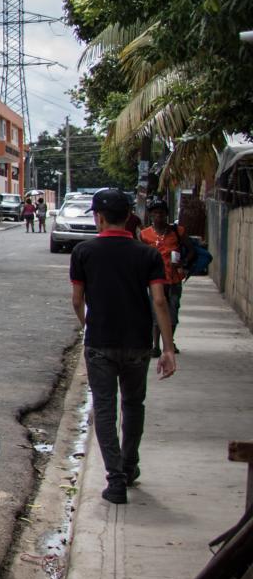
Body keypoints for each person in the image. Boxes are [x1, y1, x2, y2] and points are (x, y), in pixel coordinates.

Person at [69, 189, 178, 503]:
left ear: (98, 217)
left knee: (104, 408)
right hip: (138, 342)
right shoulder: (147, 254)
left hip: (100, 342)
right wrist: (168, 349)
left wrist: (88, 326)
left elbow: (77, 300)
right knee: (133, 405)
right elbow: (160, 301)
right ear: (129, 217)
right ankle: (129, 467)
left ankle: (115, 480)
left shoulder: (84, 252)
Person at [139, 199, 188, 355]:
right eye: (155, 213)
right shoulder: (144, 235)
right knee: (156, 311)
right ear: (150, 215)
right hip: (155, 281)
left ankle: (169, 342)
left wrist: (182, 264)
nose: (158, 216)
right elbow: (141, 256)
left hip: (174, 279)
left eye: (161, 213)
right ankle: (155, 346)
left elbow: (191, 250)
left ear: (166, 214)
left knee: (173, 311)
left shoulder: (178, 232)